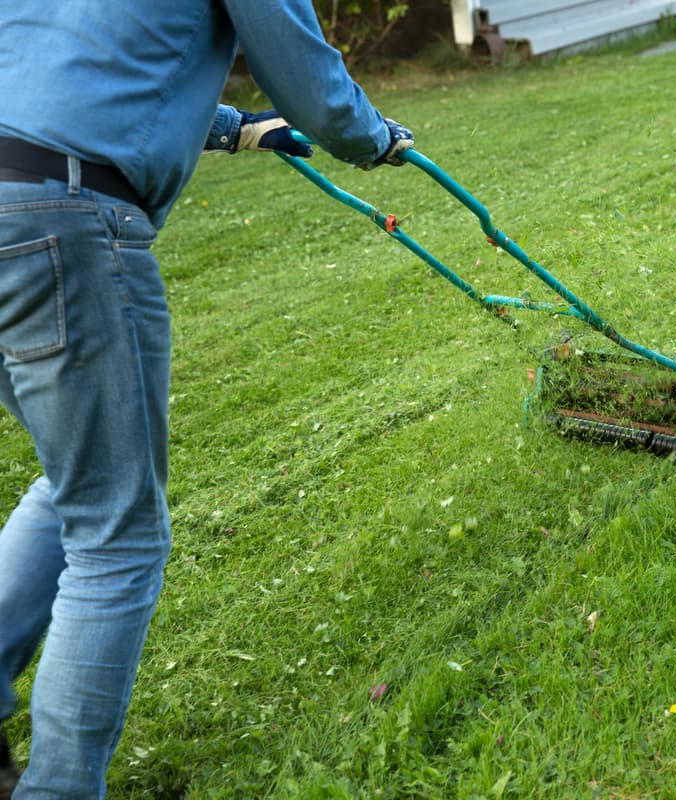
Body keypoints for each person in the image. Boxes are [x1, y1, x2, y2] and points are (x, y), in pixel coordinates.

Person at [0, 2, 414, 796]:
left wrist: (231, 126)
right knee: (117, 536)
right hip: (63, 219)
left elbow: (75, 60)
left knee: (76, 481)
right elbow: (312, 83)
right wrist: (375, 138)